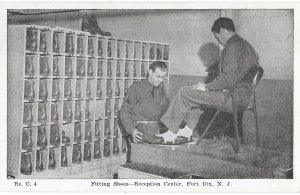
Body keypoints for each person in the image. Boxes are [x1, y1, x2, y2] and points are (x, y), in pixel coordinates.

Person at [157, 17, 260, 142]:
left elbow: (228, 78)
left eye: (218, 38)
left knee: (185, 92)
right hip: (246, 99)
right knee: (197, 96)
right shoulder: (248, 46)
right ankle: (188, 130)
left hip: (232, 98)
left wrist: (206, 87)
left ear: (222, 31)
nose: (220, 42)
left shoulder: (232, 46)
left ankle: (170, 133)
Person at [119, 61, 171, 144]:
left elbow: (167, 111)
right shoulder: (137, 87)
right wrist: (132, 130)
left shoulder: (160, 91)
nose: (161, 80)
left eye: (162, 77)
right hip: (140, 132)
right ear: (150, 72)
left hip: (156, 131)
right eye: (158, 76)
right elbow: (125, 111)